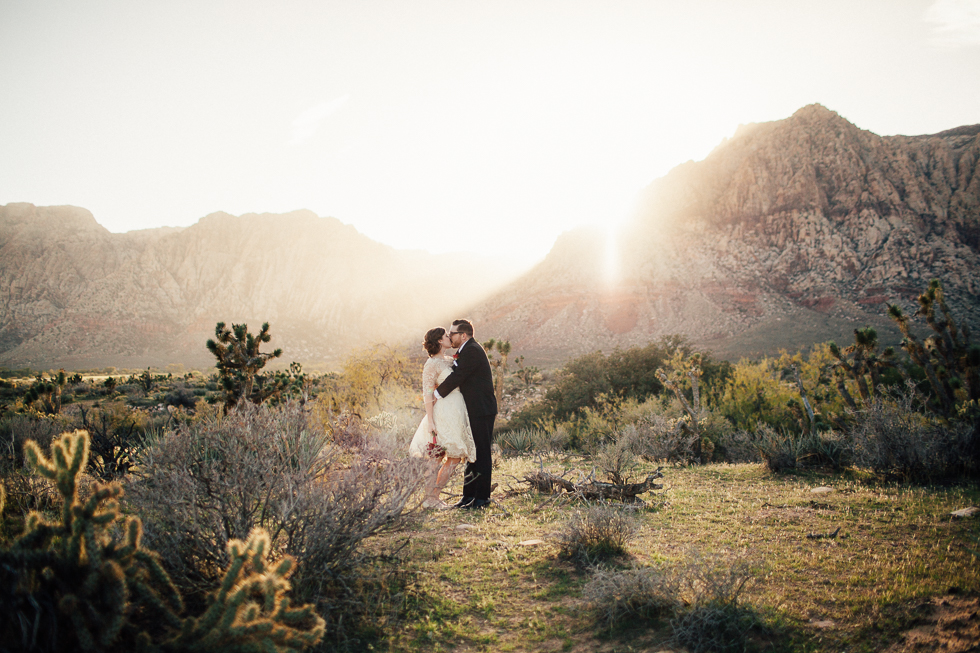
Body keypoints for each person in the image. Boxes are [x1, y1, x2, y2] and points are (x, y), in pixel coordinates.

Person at [409, 326, 476, 508]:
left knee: (455, 456)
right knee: (437, 456)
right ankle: (430, 498)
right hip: (442, 412)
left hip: (457, 410)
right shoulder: (431, 364)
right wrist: (430, 420)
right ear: (439, 340)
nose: (450, 338)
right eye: (446, 335)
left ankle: (434, 496)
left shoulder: (451, 360)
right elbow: (427, 393)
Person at [433, 319, 497, 509]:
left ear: (463, 335)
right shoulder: (466, 351)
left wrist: (436, 394)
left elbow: (458, 377)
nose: (449, 336)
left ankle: (481, 499)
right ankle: (468, 497)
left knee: (482, 453)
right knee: (472, 452)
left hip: (481, 410)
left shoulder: (472, 351)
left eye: (452, 333)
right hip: (473, 410)